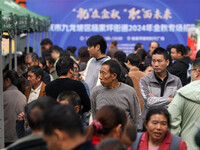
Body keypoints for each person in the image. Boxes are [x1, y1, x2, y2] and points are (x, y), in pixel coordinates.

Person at [139, 47, 182, 130]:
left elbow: (178, 103)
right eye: (153, 61)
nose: (155, 64)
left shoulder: (176, 81)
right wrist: (170, 100)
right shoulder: (145, 81)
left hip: (169, 125)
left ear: (167, 62)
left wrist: (155, 100)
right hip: (148, 126)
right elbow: (148, 102)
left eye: (159, 61)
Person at [91, 59, 140, 125]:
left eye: (103, 73)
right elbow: (95, 117)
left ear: (114, 76)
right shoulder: (96, 92)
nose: (100, 77)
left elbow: (137, 118)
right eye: (100, 73)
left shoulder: (129, 92)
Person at [168, 58, 200, 150]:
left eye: (191, 71)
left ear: (197, 72)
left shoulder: (183, 93)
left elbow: (172, 121)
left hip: (187, 146)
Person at [3, 70, 26, 147]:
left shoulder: (3, 96)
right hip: (18, 136)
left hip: (5, 137)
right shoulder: (23, 96)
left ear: (8, 80)